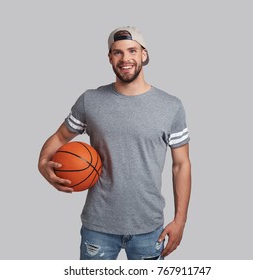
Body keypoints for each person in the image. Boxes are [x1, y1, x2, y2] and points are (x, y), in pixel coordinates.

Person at [38, 26, 191, 260]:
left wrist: (180, 221)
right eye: (117, 52)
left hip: (149, 228)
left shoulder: (171, 106)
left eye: (132, 50)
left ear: (144, 55)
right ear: (110, 58)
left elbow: (181, 165)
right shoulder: (90, 101)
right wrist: (42, 163)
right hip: (98, 227)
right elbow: (60, 137)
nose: (125, 58)